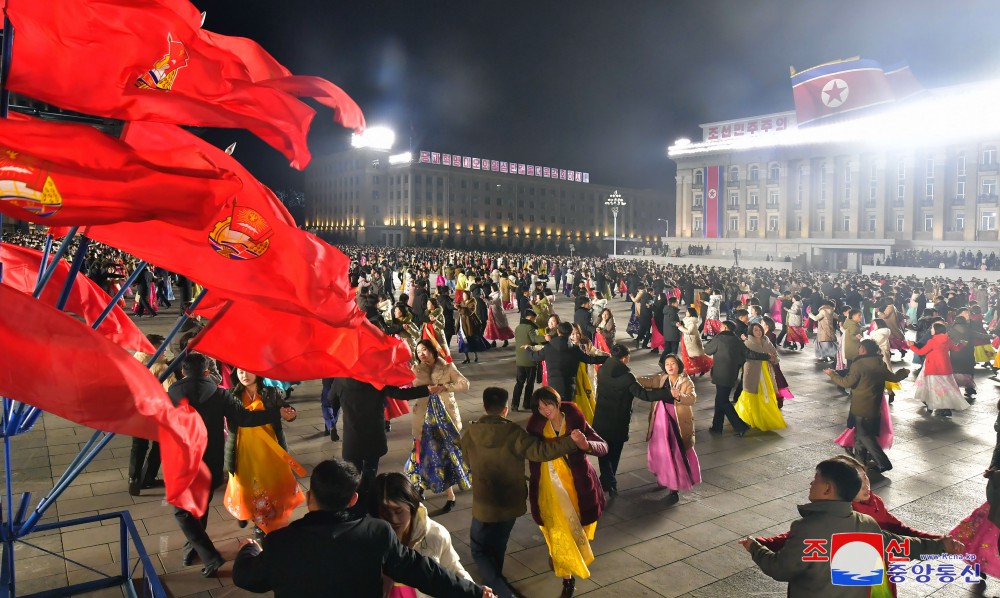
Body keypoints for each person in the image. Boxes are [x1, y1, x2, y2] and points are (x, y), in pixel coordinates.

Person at [232, 459, 492, 598]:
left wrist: (249, 551)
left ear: (310, 497)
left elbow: (247, 578)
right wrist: (474, 593)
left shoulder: (280, 542)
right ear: (353, 500)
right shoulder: (375, 533)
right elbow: (425, 572)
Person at [739, 458, 961, 598]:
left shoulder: (808, 527)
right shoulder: (866, 524)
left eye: (815, 479)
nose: (810, 484)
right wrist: (940, 545)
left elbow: (781, 568)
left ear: (827, 489)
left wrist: (755, 549)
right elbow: (901, 544)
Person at [168, 352, 297, 577]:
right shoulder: (220, 396)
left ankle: (208, 555)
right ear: (208, 372)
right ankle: (193, 546)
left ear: (183, 372)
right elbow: (245, 419)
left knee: (182, 512)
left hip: (183, 461)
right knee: (200, 506)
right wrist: (273, 414)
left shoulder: (172, 392)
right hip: (211, 461)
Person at [461, 387, 589, 598]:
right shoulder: (514, 433)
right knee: (499, 544)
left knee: (479, 548)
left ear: (484, 407)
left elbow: (467, 462)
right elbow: (541, 452)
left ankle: (499, 589)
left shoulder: (471, 434)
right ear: (505, 410)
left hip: (485, 502)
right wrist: (570, 441)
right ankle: (495, 579)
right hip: (511, 502)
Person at [527, 387, 608, 598]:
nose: (545, 410)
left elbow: (602, 446)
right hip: (548, 487)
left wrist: (585, 444)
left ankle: (563, 560)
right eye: (540, 406)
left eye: (548, 404)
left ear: (558, 402)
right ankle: (567, 579)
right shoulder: (537, 427)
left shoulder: (575, 421)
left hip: (577, 486)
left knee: (575, 529)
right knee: (557, 532)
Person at [327, 378, 430, 509]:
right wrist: (427, 389)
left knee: (353, 472)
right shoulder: (376, 379)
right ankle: (366, 501)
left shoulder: (340, 381)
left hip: (352, 437)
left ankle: (353, 503)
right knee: (370, 470)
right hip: (374, 435)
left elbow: (331, 400)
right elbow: (400, 394)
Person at [224, 368, 303, 540]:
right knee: (246, 483)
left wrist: (291, 414)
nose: (244, 376)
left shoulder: (271, 393)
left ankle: (261, 524)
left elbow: (286, 409)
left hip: (270, 448)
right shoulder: (231, 395)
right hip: (243, 448)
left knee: (268, 485)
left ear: (257, 373)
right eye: (240, 372)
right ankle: (248, 512)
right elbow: (240, 419)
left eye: (247, 372)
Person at [373, 473, 473, 598]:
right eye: (385, 512)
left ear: (412, 507)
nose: (393, 519)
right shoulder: (366, 538)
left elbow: (453, 570)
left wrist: (475, 592)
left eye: (398, 511)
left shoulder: (436, 534)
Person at [593, 344, 673, 494]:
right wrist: (667, 394)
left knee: (603, 451)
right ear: (624, 359)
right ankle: (610, 481)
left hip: (602, 417)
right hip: (618, 420)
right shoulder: (627, 377)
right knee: (614, 452)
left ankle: (607, 481)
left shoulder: (603, 370)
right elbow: (645, 395)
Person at [825, 340, 909, 474]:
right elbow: (893, 378)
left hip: (861, 406)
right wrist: (903, 372)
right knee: (859, 436)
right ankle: (860, 463)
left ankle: (884, 463)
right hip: (874, 406)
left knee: (865, 436)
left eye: (860, 348)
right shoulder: (879, 363)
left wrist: (832, 374)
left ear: (863, 349)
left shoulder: (859, 364)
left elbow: (847, 382)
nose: (858, 350)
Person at [408, 339, 472, 513]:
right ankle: (420, 484)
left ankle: (450, 495)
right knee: (420, 454)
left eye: (424, 350)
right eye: (418, 351)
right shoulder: (415, 369)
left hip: (444, 420)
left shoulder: (448, 367)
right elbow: (407, 387)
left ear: (432, 350)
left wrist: (444, 387)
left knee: (443, 456)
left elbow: (465, 384)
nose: (421, 353)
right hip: (422, 418)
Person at [644, 354, 700, 503]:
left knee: (675, 452)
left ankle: (674, 487)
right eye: (667, 364)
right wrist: (627, 377)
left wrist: (679, 396)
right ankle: (663, 476)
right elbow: (646, 381)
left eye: (673, 363)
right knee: (661, 450)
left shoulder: (686, 381)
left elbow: (692, 398)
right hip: (660, 420)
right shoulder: (661, 378)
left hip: (678, 422)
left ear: (678, 365)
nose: (669, 366)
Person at [128, 334, 175, 496]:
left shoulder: (133, 361)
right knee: (159, 444)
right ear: (153, 348)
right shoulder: (161, 367)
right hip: (157, 412)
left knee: (138, 446)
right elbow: (172, 391)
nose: (164, 351)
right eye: (162, 348)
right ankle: (148, 477)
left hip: (136, 410)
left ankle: (133, 478)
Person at [525, 322, 608, 413]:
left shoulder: (548, 348)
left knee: (555, 410)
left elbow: (533, 356)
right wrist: (608, 358)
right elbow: (590, 360)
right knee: (567, 411)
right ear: (570, 333)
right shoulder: (574, 349)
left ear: (558, 331)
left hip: (553, 385)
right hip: (569, 387)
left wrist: (527, 349)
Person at [909, 322, 970, 417]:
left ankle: (933, 405)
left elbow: (921, 352)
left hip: (933, 368)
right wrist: (962, 344)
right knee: (946, 388)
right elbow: (956, 349)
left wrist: (911, 345)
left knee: (934, 389)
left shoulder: (932, 341)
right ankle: (946, 408)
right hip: (945, 369)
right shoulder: (947, 340)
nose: (931, 330)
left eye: (932, 328)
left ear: (936, 330)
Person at [734, 323, 787, 432]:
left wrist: (774, 360)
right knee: (752, 393)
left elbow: (775, 354)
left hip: (766, 371)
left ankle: (766, 415)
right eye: (755, 330)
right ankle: (751, 416)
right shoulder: (747, 343)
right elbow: (745, 357)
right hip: (752, 371)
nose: (758, 332)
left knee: (767, 393)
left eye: (759, 330)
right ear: (751, 332)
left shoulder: (766, 341)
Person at [703, 321, 750, 435]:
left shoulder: (719, 338)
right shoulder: (737, 340)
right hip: (731, 374)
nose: (719, 327)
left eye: (721, 326)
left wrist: (714, 338)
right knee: (719, 399)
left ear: (725, 327)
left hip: (720, 374)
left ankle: (740, 426)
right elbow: (746, 354)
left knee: (723, 401)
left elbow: (707, 350)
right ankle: (717, 427)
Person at [512, 310, 545, 412]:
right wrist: (546, 337)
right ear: (530, 317)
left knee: (519, 383)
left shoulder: (518, 327)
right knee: (529, 383)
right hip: (529, 359)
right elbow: (534, 338)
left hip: (520, 360)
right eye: (534, 319)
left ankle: (514, 404)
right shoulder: (530, 327)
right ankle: (527, 403)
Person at [677, 307, 713, 376]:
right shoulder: (687, 320)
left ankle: (701, 368)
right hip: (688, 341)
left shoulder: (692, 322)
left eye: (687, 311)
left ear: (691, 313)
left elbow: (689, 331)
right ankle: (694, 370)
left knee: (696, 357)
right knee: (692, 357)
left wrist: (680, 327)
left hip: (692, 342)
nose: (686, 313)